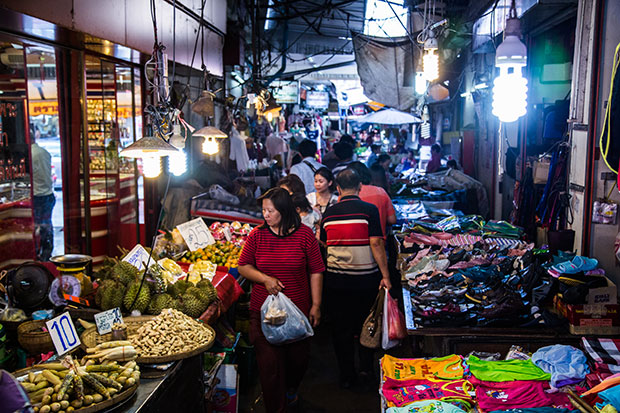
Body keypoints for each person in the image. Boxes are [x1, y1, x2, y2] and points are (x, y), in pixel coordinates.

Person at [238, 188, 324, 412]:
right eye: (264, 210)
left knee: (298, 361)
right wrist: (265, 279)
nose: (265, 215)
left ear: (284, 211)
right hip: (263, 314)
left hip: (297, 312)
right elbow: (243, 266)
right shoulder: (257, 235)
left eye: (270, 210)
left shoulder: (304, 235)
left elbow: (316, 270)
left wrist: (316, 305)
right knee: (270, 369)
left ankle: (292, 390)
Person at [320, 169, 391, 389]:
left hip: (336, 282)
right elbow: (377, 243)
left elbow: (323, 242)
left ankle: (347, 375)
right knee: (366, 324)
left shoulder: (329, 214)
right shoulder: (369, 210)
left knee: (341, 329)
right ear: (359, 186)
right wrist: (386, 276)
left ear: (338, 189)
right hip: (365, 281)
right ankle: (366, 369)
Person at [347, 162, 396, 239]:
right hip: (379, 242)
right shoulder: (381, 191)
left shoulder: (345, 196)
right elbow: (392, 220)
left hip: (355, 243)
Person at [31, 125, 56, 261]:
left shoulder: (29, 154)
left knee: (36, 226)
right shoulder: (44, 152)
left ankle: (38, 254)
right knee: (47, 224)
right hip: (48, 194)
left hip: (37, 195)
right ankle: (47, 254)